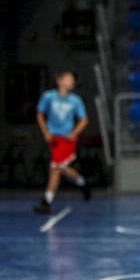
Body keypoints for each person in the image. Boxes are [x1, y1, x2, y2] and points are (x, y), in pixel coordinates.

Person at [33, 71, 91, 214]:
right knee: (61, 168)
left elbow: (84, 119)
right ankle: (82, 183)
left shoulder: (75, 100)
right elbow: (40, 113)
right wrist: (45, 132)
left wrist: (74, 133)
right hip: (54, 138)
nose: (71, 82)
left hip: (67, 139)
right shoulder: (48, 97)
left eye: (72, 80)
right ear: (59, 81)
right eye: (68, 79)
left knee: (55, 168)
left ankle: (46, 202)